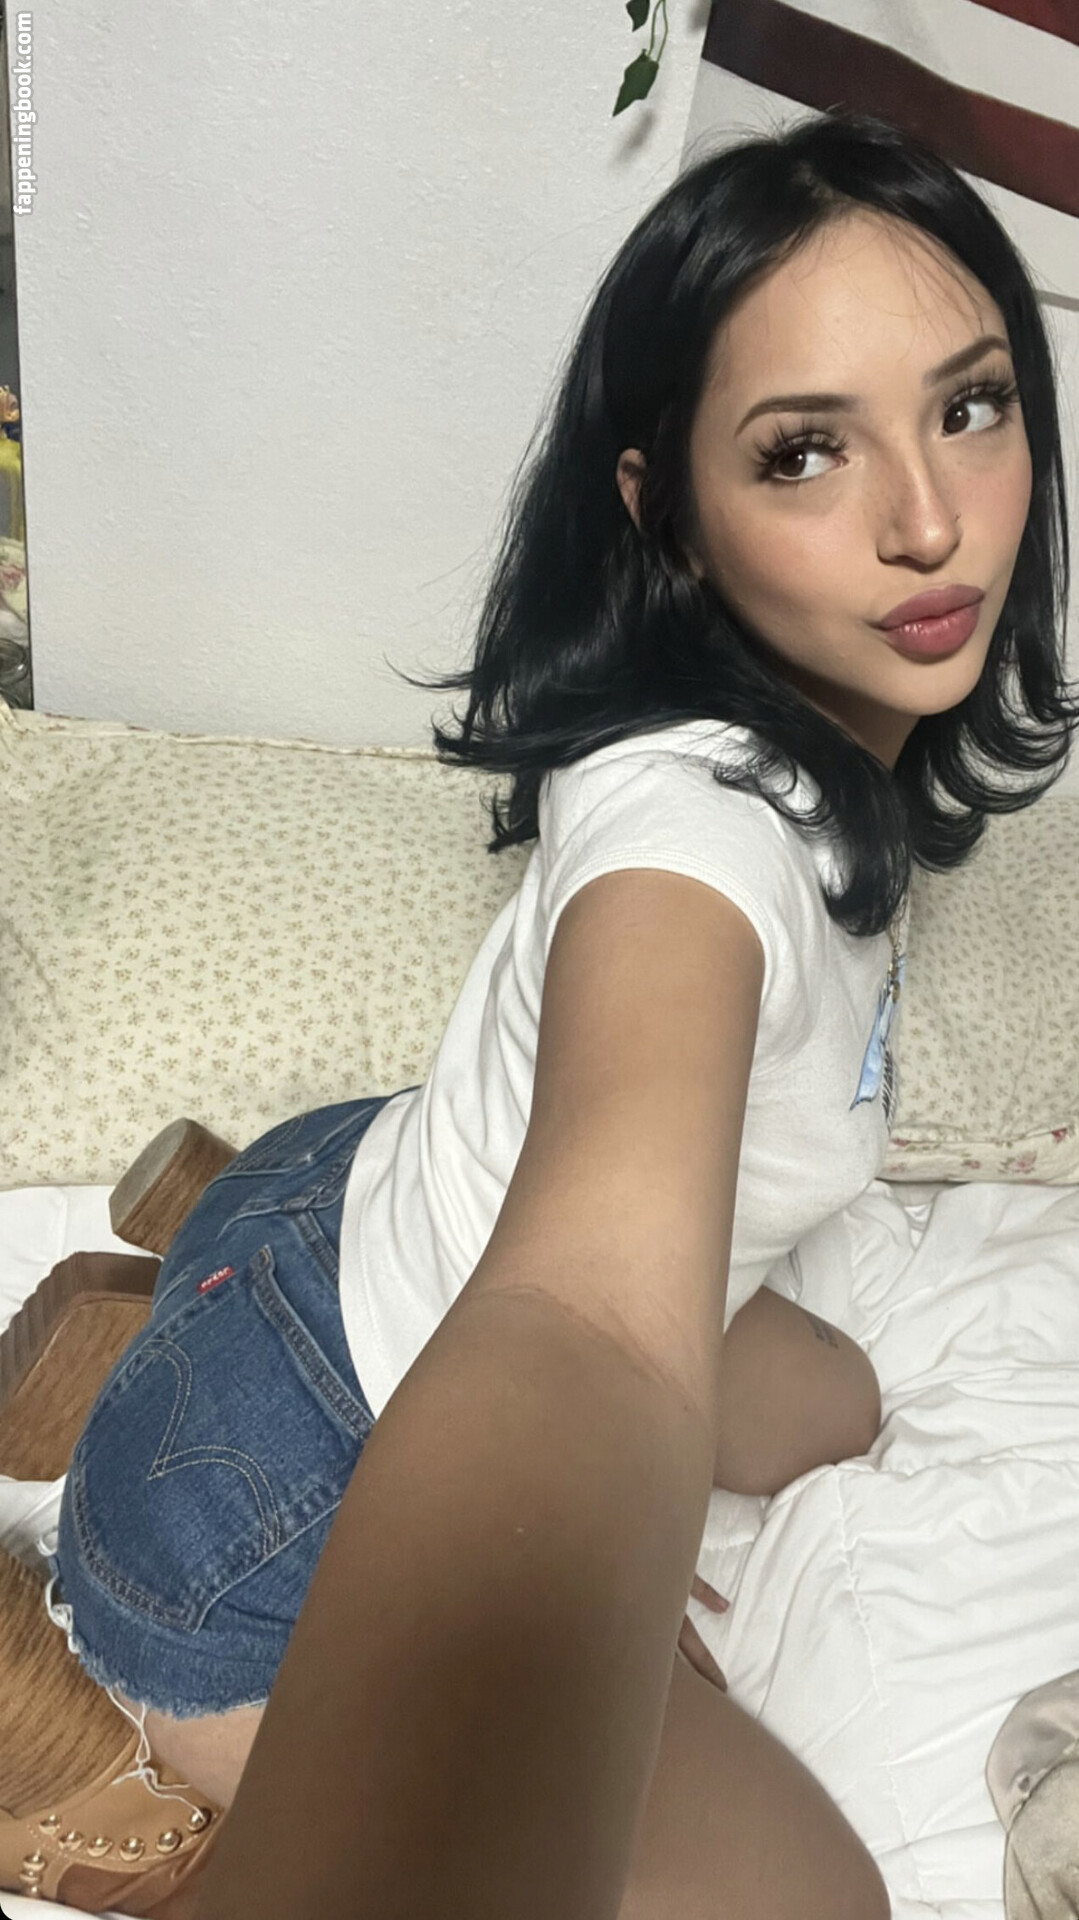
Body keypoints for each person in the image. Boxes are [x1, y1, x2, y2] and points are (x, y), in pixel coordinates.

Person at [35, 107, 1078, 1920]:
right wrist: (552, 1584)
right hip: (259, 1505)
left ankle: (211, 1284)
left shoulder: (823, 741)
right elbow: (587, 1322)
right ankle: (83, 1720)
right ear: (663, 507)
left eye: (970, 408)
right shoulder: (687, 840)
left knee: (835, 1411)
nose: (929, 523)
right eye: (806, 451)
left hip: (346, 1196)